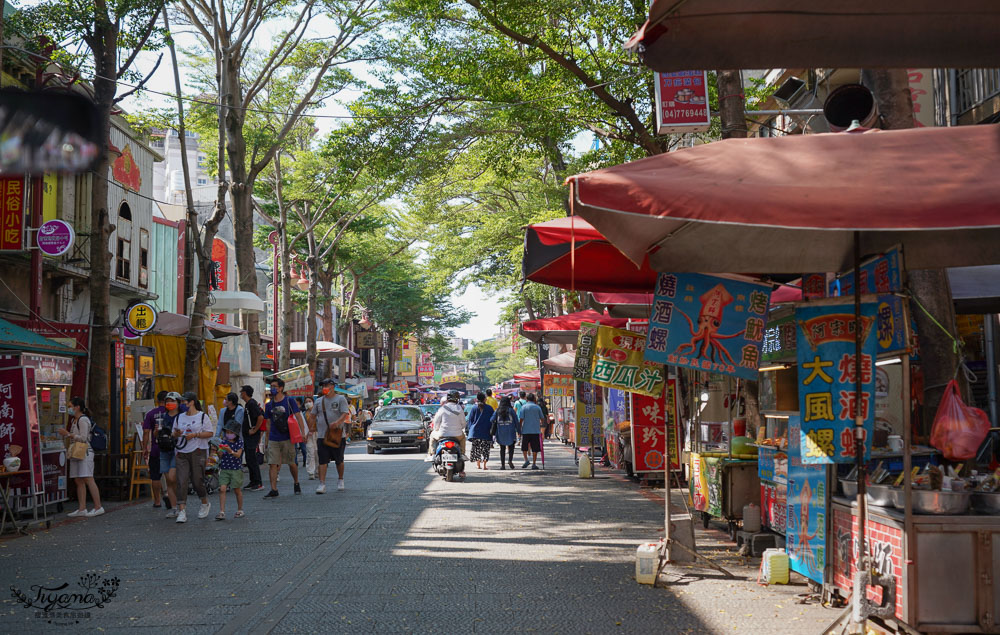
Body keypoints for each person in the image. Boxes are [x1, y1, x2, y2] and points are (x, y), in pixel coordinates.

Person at [172, 392, 214, 523]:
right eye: (182, 402)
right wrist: (177, 434)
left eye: (184, 402)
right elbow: (174, 434)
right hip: (181, 451)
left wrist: (195, 435)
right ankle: (182, 510)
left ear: (192, 402)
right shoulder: (179, 417)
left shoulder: (202, 417)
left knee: (197, 480)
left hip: (198, 451)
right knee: (181, 480)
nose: (182, 404)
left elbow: (210, 433)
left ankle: (204, 502)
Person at [58, 397, 103, 517]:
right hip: (76, 452)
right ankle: (82, 508)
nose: (69, 409)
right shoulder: (74, 420)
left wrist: (68, 434)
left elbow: (84, 438)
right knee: (78, 480)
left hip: (85, 452)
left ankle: (98, 506)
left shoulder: (83, 420)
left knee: (88, 478)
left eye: (70, 406)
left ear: (77, 407)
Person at [263, 377, 305, 498]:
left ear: (281, 388)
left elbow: (298, 416)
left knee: (292, 463)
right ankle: (274, 489)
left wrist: (302, 432)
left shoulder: (289, 401)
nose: (272, 389)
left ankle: (296, 482)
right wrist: (266, 439)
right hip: (274, 438)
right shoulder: (269, 405)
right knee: (272, 463)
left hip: (288, 437)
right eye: (271, 386)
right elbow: (268, 422)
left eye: (275, 386)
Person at [308, 378, 351, 494]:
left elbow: (345, 413)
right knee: (322, 460)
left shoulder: (341, 399)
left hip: (337, 435)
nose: (325, 388)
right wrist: (309, 428)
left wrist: (337, 423)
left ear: (333, 386)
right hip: (322, 435)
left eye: (327, 385)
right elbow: (312, 416)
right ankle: (322, 484)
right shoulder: (319, 401)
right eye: (323, 386)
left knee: (339, 460)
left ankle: (340, 479)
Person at [425, 390, 468, 476]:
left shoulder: (442, 408)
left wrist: (436, 429)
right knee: (463, 437)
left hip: (443, 435)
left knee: (432, 435)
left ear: (448, 398)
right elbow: (463, 424)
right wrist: (459, 428)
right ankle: (462, 454)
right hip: (457, 435)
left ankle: (432, 454)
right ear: (457, 399)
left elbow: (436, 422)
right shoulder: (460, 409)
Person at [141, 391, 169, 508]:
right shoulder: (170, 413)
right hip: (169, 447)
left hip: (156, 448)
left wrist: (144, 448)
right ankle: (169, 495)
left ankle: (157, 501)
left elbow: (146, 432)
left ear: (157, 401)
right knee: (169, 474)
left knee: (155, 476)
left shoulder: (151, 414)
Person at [156, 392, 182, 516]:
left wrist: (176, 434)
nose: (169, 404)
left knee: (173, 478)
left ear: (178, 403)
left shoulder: (182, 417)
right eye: (167, 401)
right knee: (168, 480)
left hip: (176, 450)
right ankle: (174, 508)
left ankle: (181, 505)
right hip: (164, 449)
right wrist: (157, 432)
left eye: (172, 401)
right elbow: (157, 434)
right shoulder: (163, 417)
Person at [215, 419, 245, 520]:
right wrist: (219, 451)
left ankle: (240, 509)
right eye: (227, 432)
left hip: (236, 469)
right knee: (222, 488)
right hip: (224, 468)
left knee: (237, 490)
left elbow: (238, 455)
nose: (228, 434)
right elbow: (220, 455)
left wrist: (230, 451)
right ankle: (222, 511)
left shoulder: (239, 442)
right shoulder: (224, 441)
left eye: (231, 432)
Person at [240, 385, 265, 491]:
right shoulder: (248, 404)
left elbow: (260, 417)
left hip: (252, 436)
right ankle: (252, 481)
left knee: (252, 459)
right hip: (247, 435)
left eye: (241, 392)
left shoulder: (252, 404)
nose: (240, 393)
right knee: (249, 459)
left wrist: (254, 430)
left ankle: (258, 482)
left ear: (245, 393)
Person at [466, 392, 495, 470]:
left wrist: (470, 429)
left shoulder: (474, 408)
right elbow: (493, 419)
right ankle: (485, 466)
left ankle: (478, 465)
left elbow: (470, 420)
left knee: (476, 448)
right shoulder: (489, 408)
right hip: (486, 432)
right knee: (485, 449)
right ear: (485, 399)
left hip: (476, 432)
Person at [490, 396, 520, 470]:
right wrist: (519, 431)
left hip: (500, 432)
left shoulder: (497, 410)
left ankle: (502, 465)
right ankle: (510, 460)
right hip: (511, 431)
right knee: (511, 447)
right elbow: (516, 421)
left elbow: (491, 419)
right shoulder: (511, 410)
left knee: (502, 448)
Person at [519, 393, 544, 470]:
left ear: (527, 399)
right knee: (535, 448)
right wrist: (540, 423)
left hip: (526, 430)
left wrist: (519, 428)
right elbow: (542, 418)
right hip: (535, 431)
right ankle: (534, 463)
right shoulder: (537, 407)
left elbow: (521, 419)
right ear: (534, 399)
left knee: (524, 447)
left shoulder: (523, 407)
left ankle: (526, 460)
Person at [301, 396, 318, 478]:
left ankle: (318, 470)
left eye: (309, 401)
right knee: (310, 452)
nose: (308, 403)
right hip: (308, 435)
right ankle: (311, 472)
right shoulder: (303, 414)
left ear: (313, 402)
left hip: (317, 434)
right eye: (306, 401)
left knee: (317, 453)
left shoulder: (318, 413)